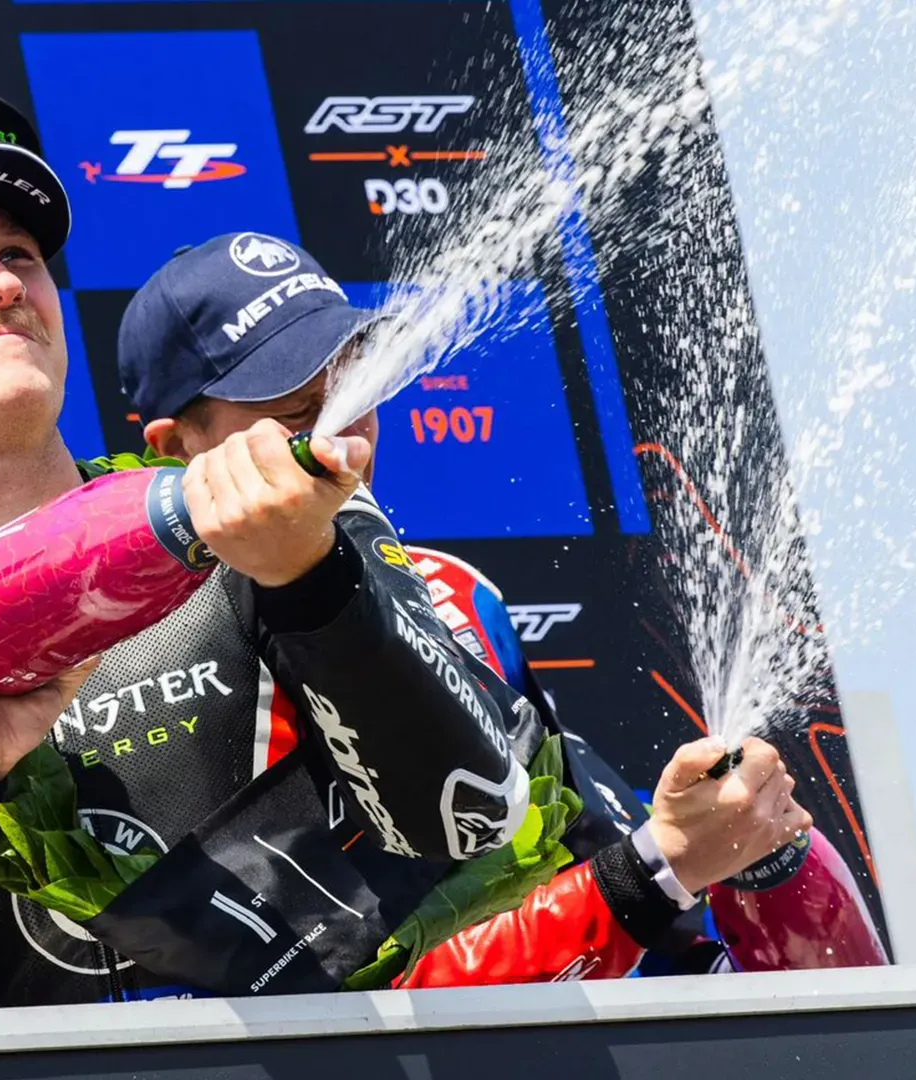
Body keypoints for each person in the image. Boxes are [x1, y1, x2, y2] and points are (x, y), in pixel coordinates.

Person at [0, 85, 543, 1018]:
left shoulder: (260, 530)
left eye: (19, 254)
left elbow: (475, 816)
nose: (3, 284)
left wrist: (310, 582)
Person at [118, 234, 816, 983]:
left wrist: (716, 847)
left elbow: (570, 853)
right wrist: (658, 870)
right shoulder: (147, 668)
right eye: (299, 411)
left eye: (355, 391)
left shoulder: (454, 588)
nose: (345, 441)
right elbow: (331, 989)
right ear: (175, 446)